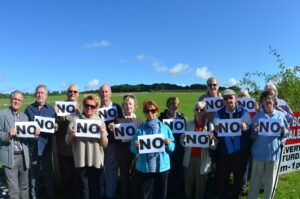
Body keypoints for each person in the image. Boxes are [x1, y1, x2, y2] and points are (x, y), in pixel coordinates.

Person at [65, 94, 108, 199]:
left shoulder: (100, 121)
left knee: (96, 187)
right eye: (87, 105)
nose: (89, 108)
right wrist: (72, 135)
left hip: (96, 160)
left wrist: (102, 134)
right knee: (84, 188)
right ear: (83, 105)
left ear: (96, 107)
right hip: (81, 160)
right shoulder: (75, 120)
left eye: (92, 106)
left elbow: (105, 144)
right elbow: (67, 141)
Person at [130, 100, 175, 199]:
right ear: (144, 113)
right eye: (147, 111)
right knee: (146, 195)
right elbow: (132, 149)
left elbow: (172, 148)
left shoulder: (165, 128)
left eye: (152, 110)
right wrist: (135, 146)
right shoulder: (140, 129)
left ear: (157, 112)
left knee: (161, 194)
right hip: (145, 168)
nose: (150, 113)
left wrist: (168, 143)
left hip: (162, 167)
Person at [248, 91, 289, 199]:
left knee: (270, 184)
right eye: (265, 99)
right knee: (255, 182)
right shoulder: (257, 117)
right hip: (259, 154)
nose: (268, 101)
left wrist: (283, 132)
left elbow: (287, 132)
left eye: (270, 98)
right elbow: (251, 137)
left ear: (274, 101)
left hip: (273, 154)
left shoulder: (280, 115)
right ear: (262, 102)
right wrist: (254, 131)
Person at [213, 89, 252, 199]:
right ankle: (223, 195)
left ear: (235, 99)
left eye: (231, 97)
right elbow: (215, 133)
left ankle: (236, 196)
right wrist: (215, 130)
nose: (229, 100)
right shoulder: (218, 114)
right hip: (224, 151)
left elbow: (250, 129)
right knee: (223, 176)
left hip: (240, 150)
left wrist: (246, 128)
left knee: (239, 176)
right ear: (223, 101)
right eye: (226, 98)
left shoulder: (244, 112)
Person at [0, 90, 39, 199]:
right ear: (11, 100)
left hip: (23, 155)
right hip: (10, 155)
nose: (16, 101)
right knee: (13, 189)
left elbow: (28, 138)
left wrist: (35, 134)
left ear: (21, 102)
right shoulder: (2, 114)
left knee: (24, 187)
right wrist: (8, 134)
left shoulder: (24, 117)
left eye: (19, 100)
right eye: (15, 99)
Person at [25, 84, 57, 199]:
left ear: (46, 95)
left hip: (45, 148)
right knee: (33, 175)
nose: (40, 95)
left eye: (42, 92)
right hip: (32, 147)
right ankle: (34, 196)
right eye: (38, 92)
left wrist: (55, 128)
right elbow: (24, 127)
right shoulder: (29, 109)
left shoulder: (51, 110)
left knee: (48, 174)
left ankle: (51, 195)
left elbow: (54, 129)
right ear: (35, 94)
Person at [109, 94, 143, 199]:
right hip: (122, 151)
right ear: (123, 106)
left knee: (135, 175)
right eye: (126, 104)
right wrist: (112, 131)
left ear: (135, 106)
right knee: (124, 175)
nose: (128, 106)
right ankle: (125, 195)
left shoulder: (139, 120)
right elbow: (114, 139)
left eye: (130, 104)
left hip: (135, 152)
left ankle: (135, 195)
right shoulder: (118, 119)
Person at [182, 101, 217, 199]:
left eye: (201, 110)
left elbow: (214, 146)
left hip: (203, 160)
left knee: (200, 187)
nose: (199, 111)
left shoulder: (210, 125)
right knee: (188, 186)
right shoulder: (188, 125)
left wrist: (211, 140)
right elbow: (183, 144)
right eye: (196, 109)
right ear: (194, 111)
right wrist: (183, 140)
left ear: (205, 112)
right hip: (189, 159)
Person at [54, 84, 81, 199]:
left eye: (75, 92)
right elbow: (53, 125)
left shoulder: (83, 106)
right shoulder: (59, 106)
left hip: (79, 148)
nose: (72, 93)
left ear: (78, 94)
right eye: (70, 91)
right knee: (66, 175)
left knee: (78, 176)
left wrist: (80, 114)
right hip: (64, 148)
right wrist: (55, 114)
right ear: (67, 93)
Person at [158, 97, 186, 199]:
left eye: (176, 108)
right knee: (166, 173)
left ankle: (178, 194)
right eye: (172, 108)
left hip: (179, 150)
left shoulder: (182, 118)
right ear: (168, 106)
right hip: (165, 150)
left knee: (179, 172)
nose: (174, 110)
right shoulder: (161, 119)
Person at [98, 85, 123, 199]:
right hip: (97, 143)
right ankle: (100, 191)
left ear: (110, 93)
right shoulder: (95, 106)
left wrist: (116, 126)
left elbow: (122, 124)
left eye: (106, 92)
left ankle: (110, 194)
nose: (104, 94)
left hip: (112, 143)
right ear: (99, 94)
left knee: (111, 169)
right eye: (102, 92)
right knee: (99, 168)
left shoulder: (116, 107)